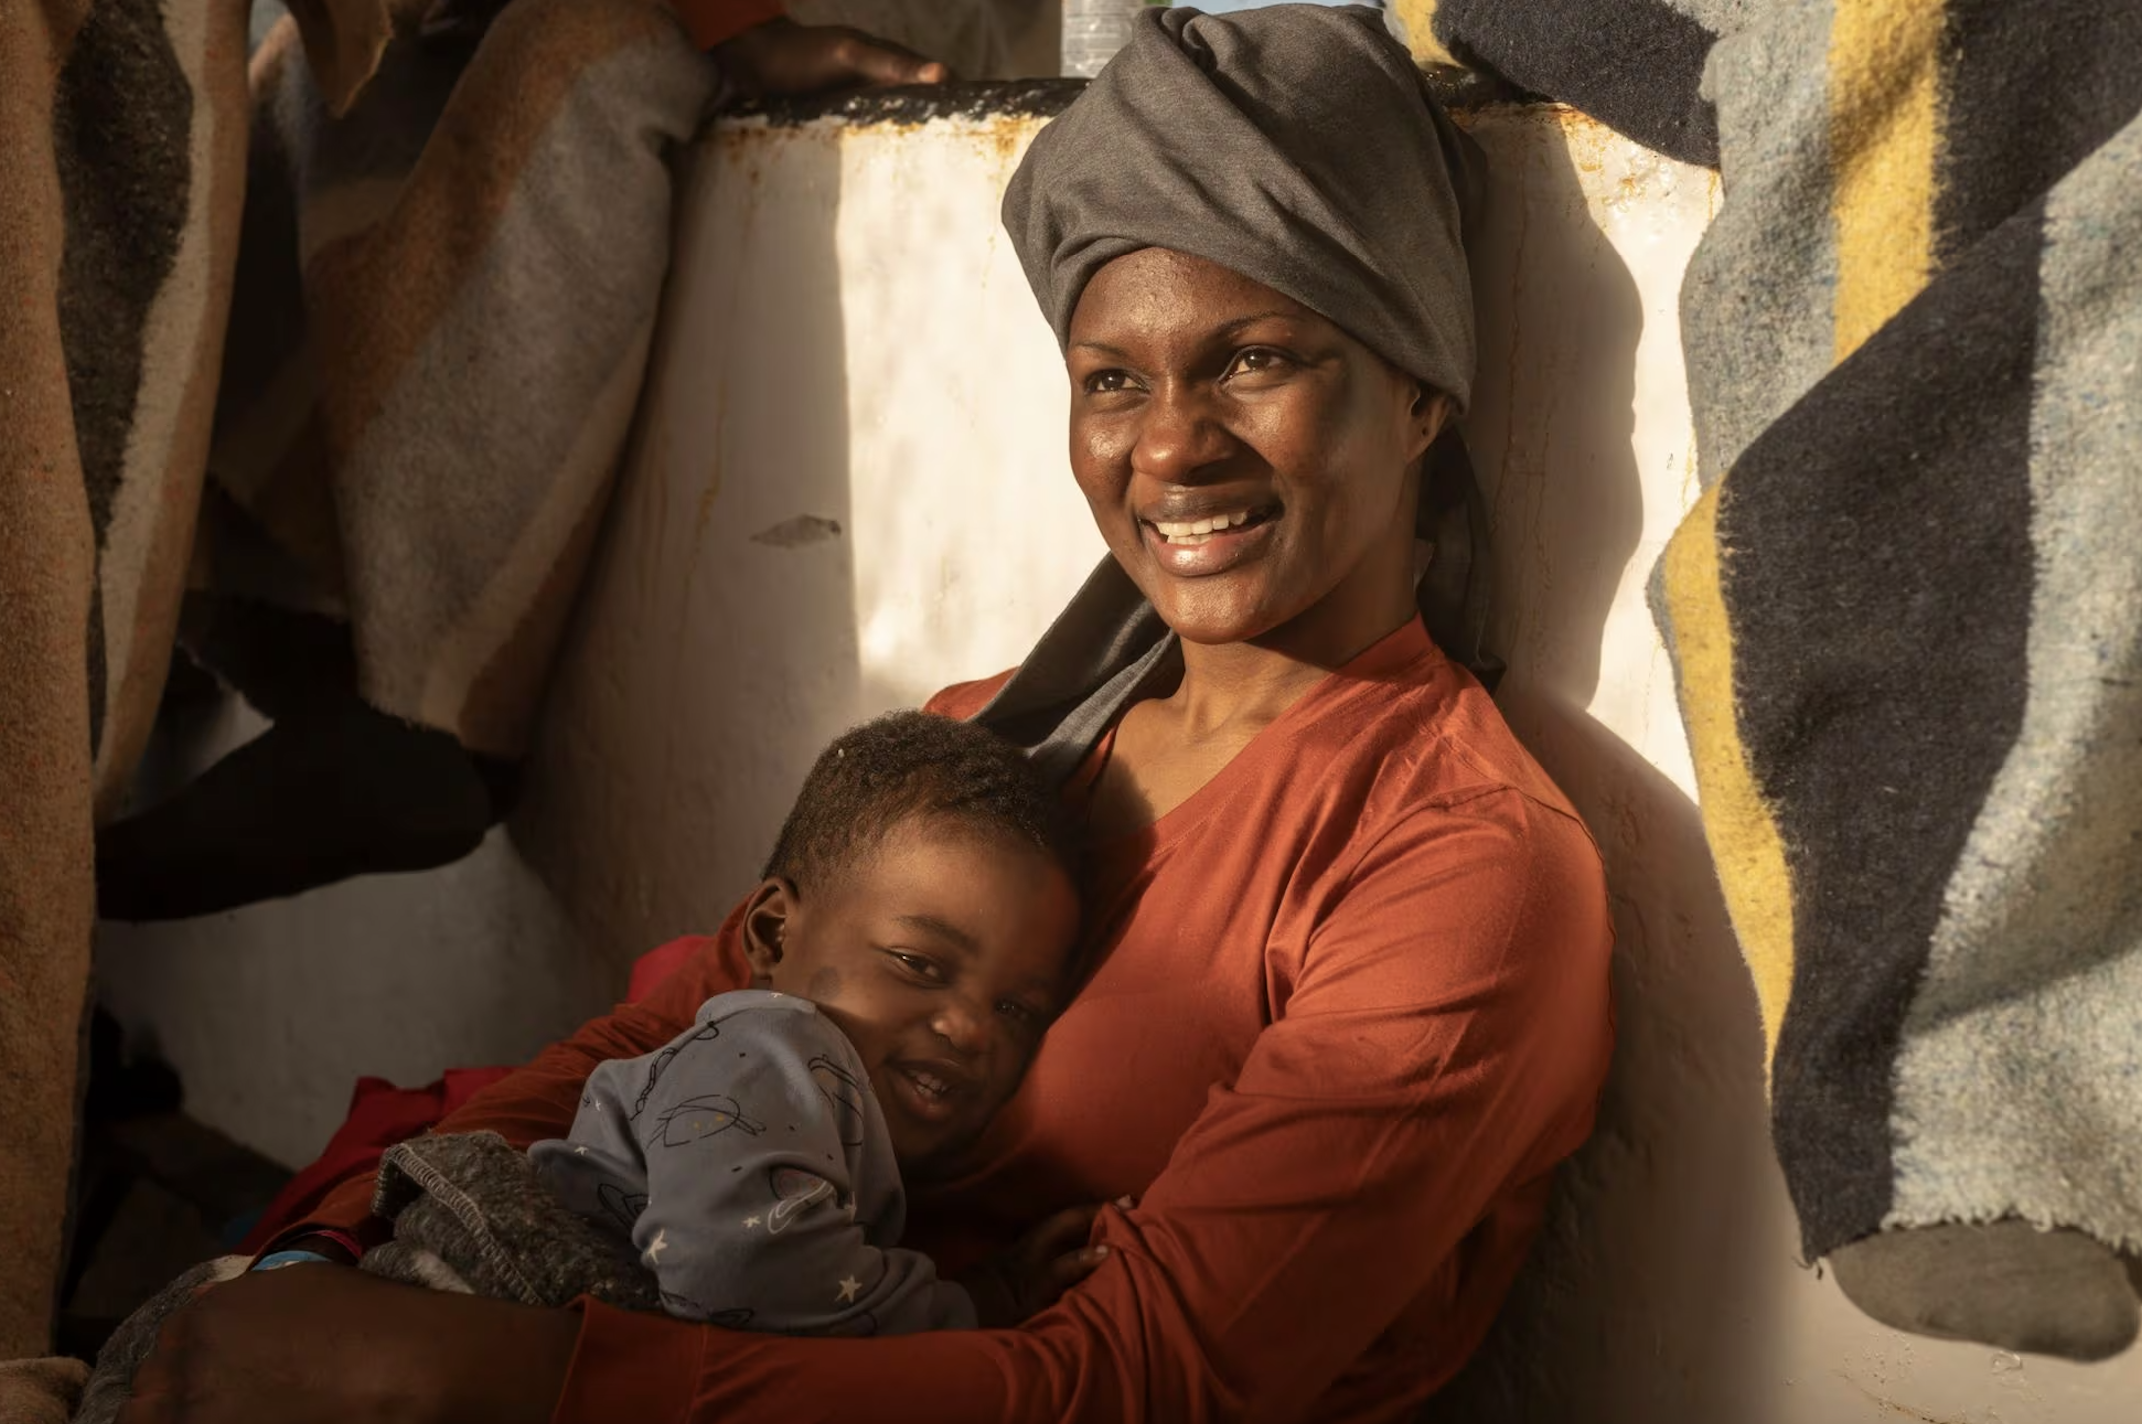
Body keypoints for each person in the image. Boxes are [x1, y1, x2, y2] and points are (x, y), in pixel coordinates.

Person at [115, 8, 1615, 1422]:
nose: (1168, 443)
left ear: (1420, 392)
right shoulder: (997, 741)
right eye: (1111, 379)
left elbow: (1135, 1386)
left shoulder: (1453, 870)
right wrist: (330, 1266)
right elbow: (665, 1034)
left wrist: (499, 1378)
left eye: (1255, 359)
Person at [522, 711, 1102, 1333]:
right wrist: (979, 1303)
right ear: (774, 935)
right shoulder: (767, 1051)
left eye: (1014, 1008)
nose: (969, 1028)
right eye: (918, 964)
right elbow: (738, 1272)